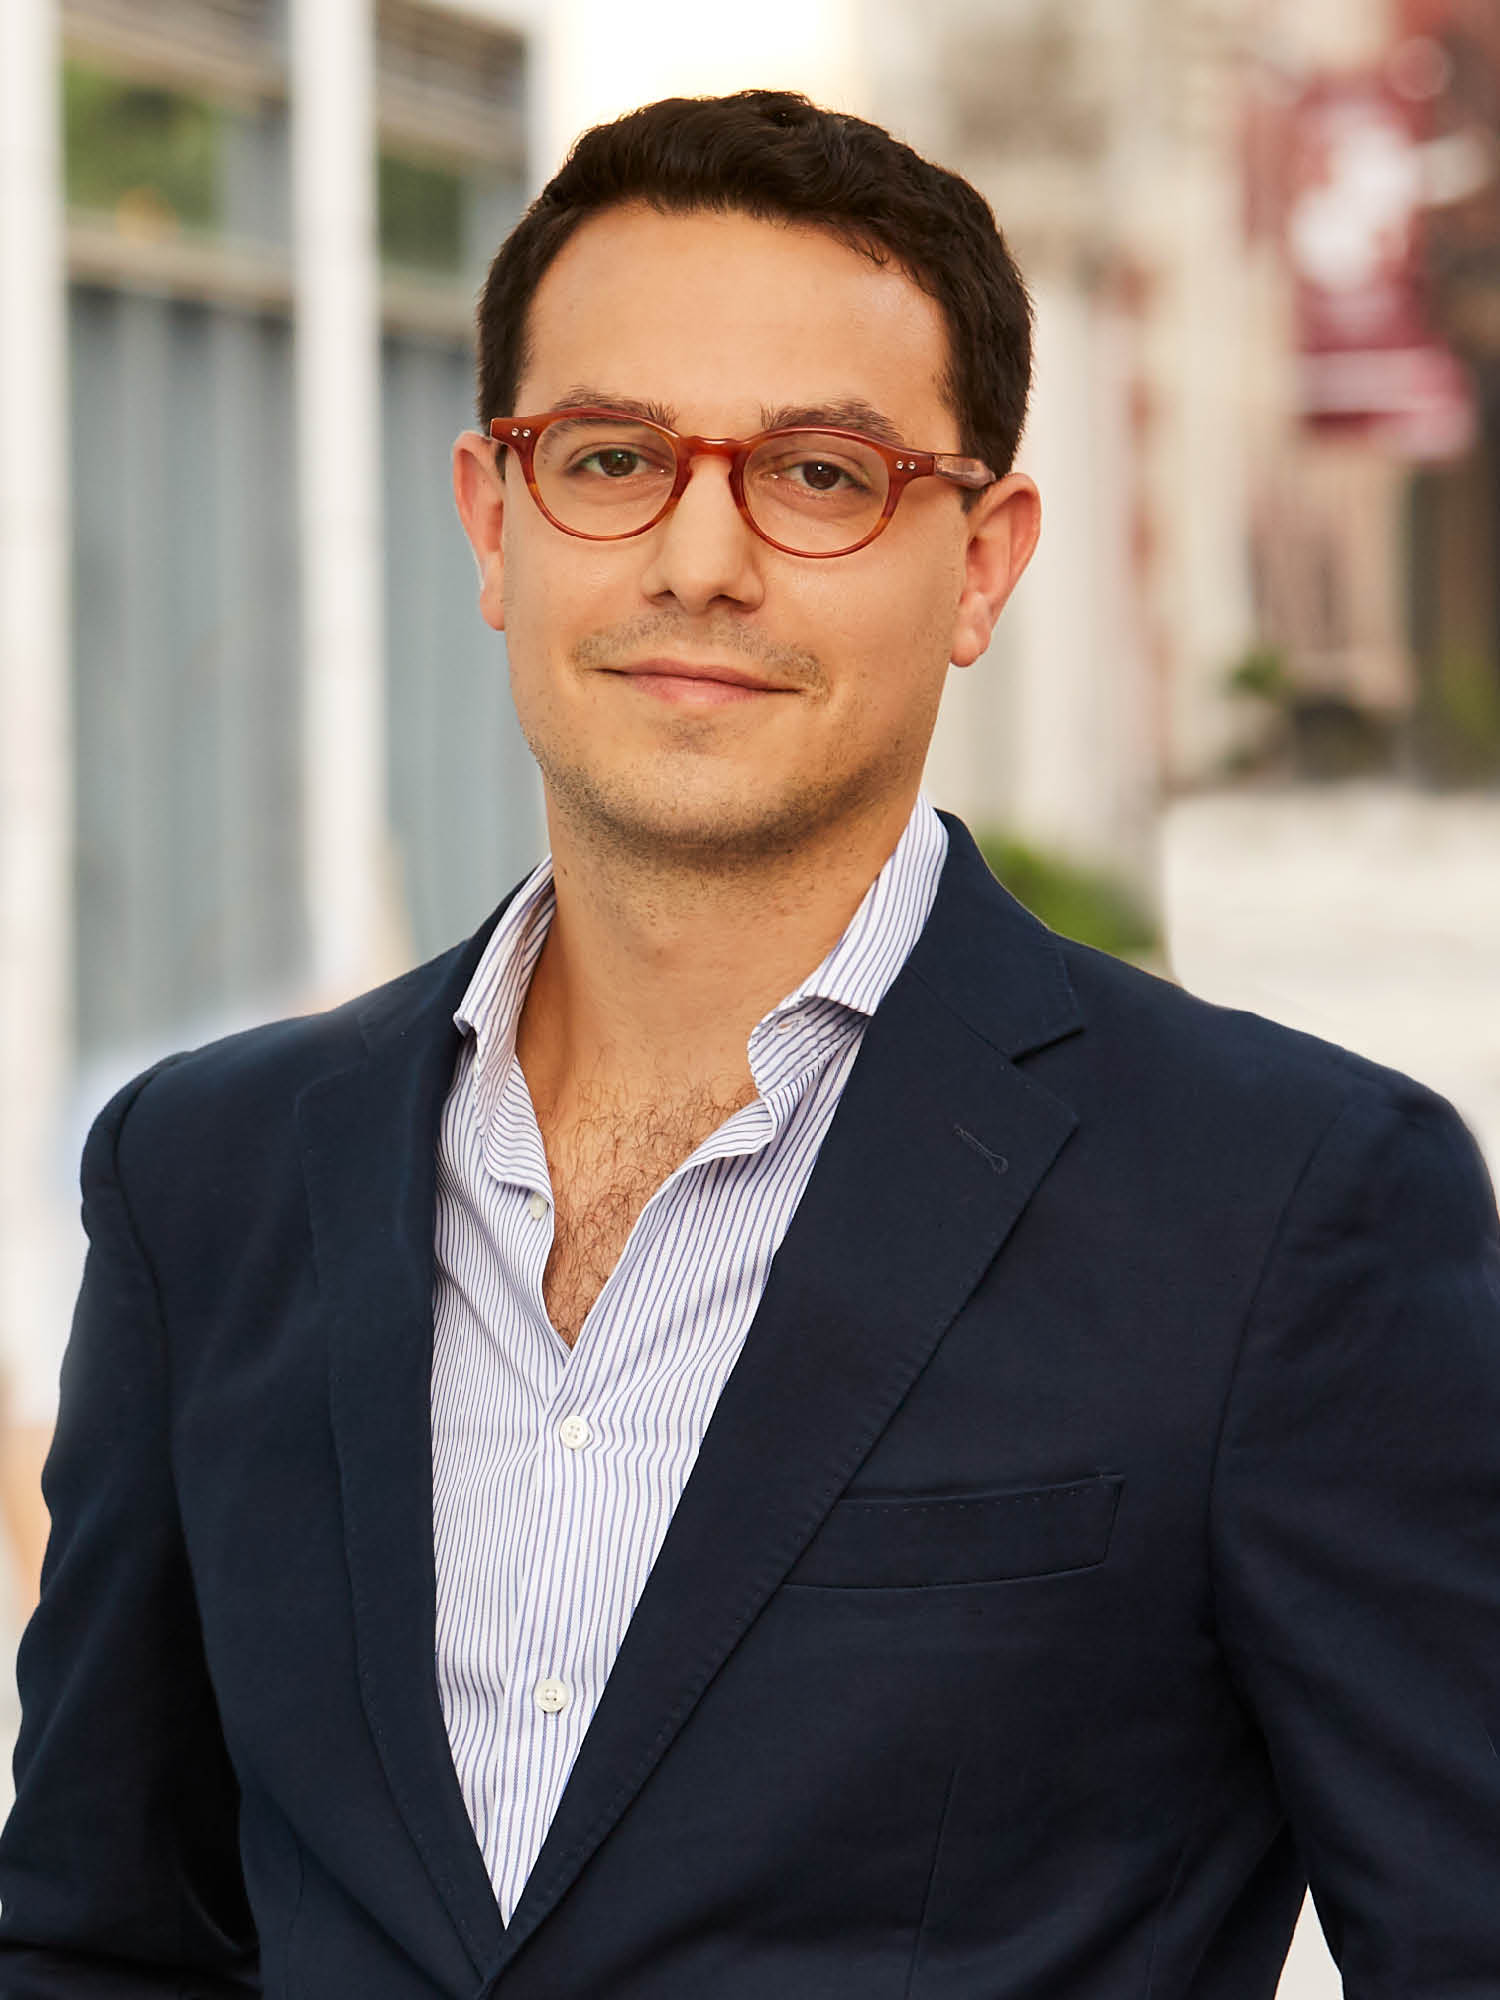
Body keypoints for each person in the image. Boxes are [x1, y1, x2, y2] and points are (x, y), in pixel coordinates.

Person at [1, 89, 1497, 2000]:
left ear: (982, 561)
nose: (698, 558)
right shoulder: (205, 1178)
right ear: (492, 521)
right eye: (612, 457)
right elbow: (102, 1937)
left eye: (818, 474)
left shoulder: (1283, 1204)